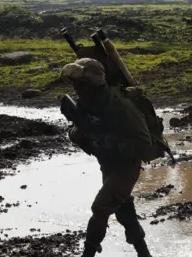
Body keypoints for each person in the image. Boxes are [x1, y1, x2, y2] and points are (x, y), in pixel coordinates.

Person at [60, 58, 153, 257]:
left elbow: (144, 141)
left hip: (126, 166)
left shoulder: (120, 104)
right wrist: (76, 134)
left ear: (94, 83)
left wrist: (114, 144)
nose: (77, 89)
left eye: (81, 84)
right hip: (107, 164)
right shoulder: (85, 104)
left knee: (101, 206)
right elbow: (77, 128)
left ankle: (88, 253)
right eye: (75, 85)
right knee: (123, 209)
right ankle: (144, 253)